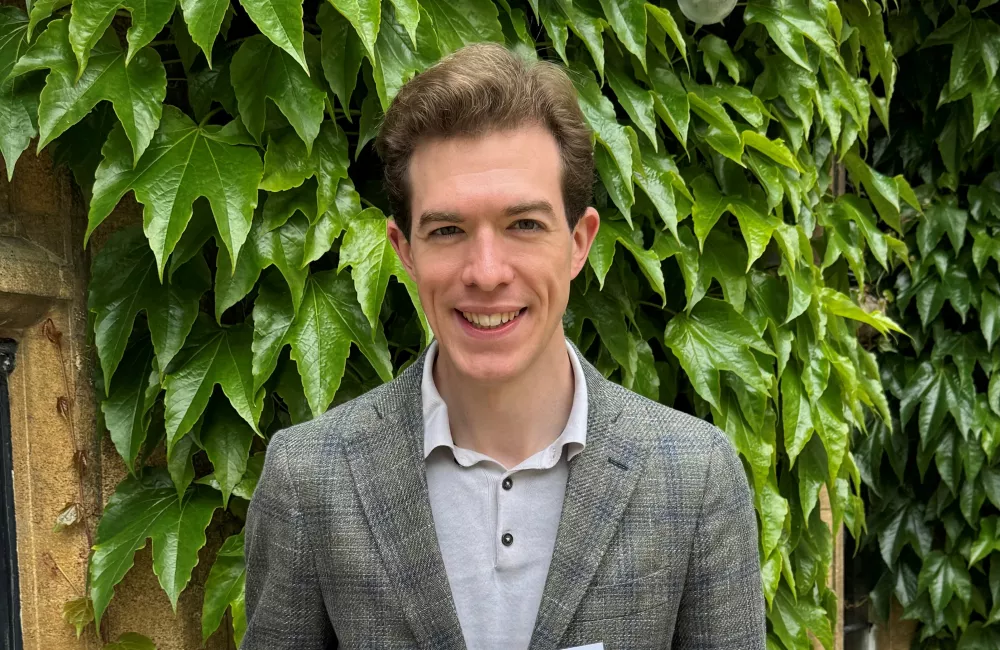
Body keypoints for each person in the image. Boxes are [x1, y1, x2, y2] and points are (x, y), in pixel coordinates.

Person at [242, 42, 766, 650]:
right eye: (447, 230)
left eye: (523, 225)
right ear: (404, 250)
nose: (486, 272)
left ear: (578, 242)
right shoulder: (309, 480)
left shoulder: (695, 477)